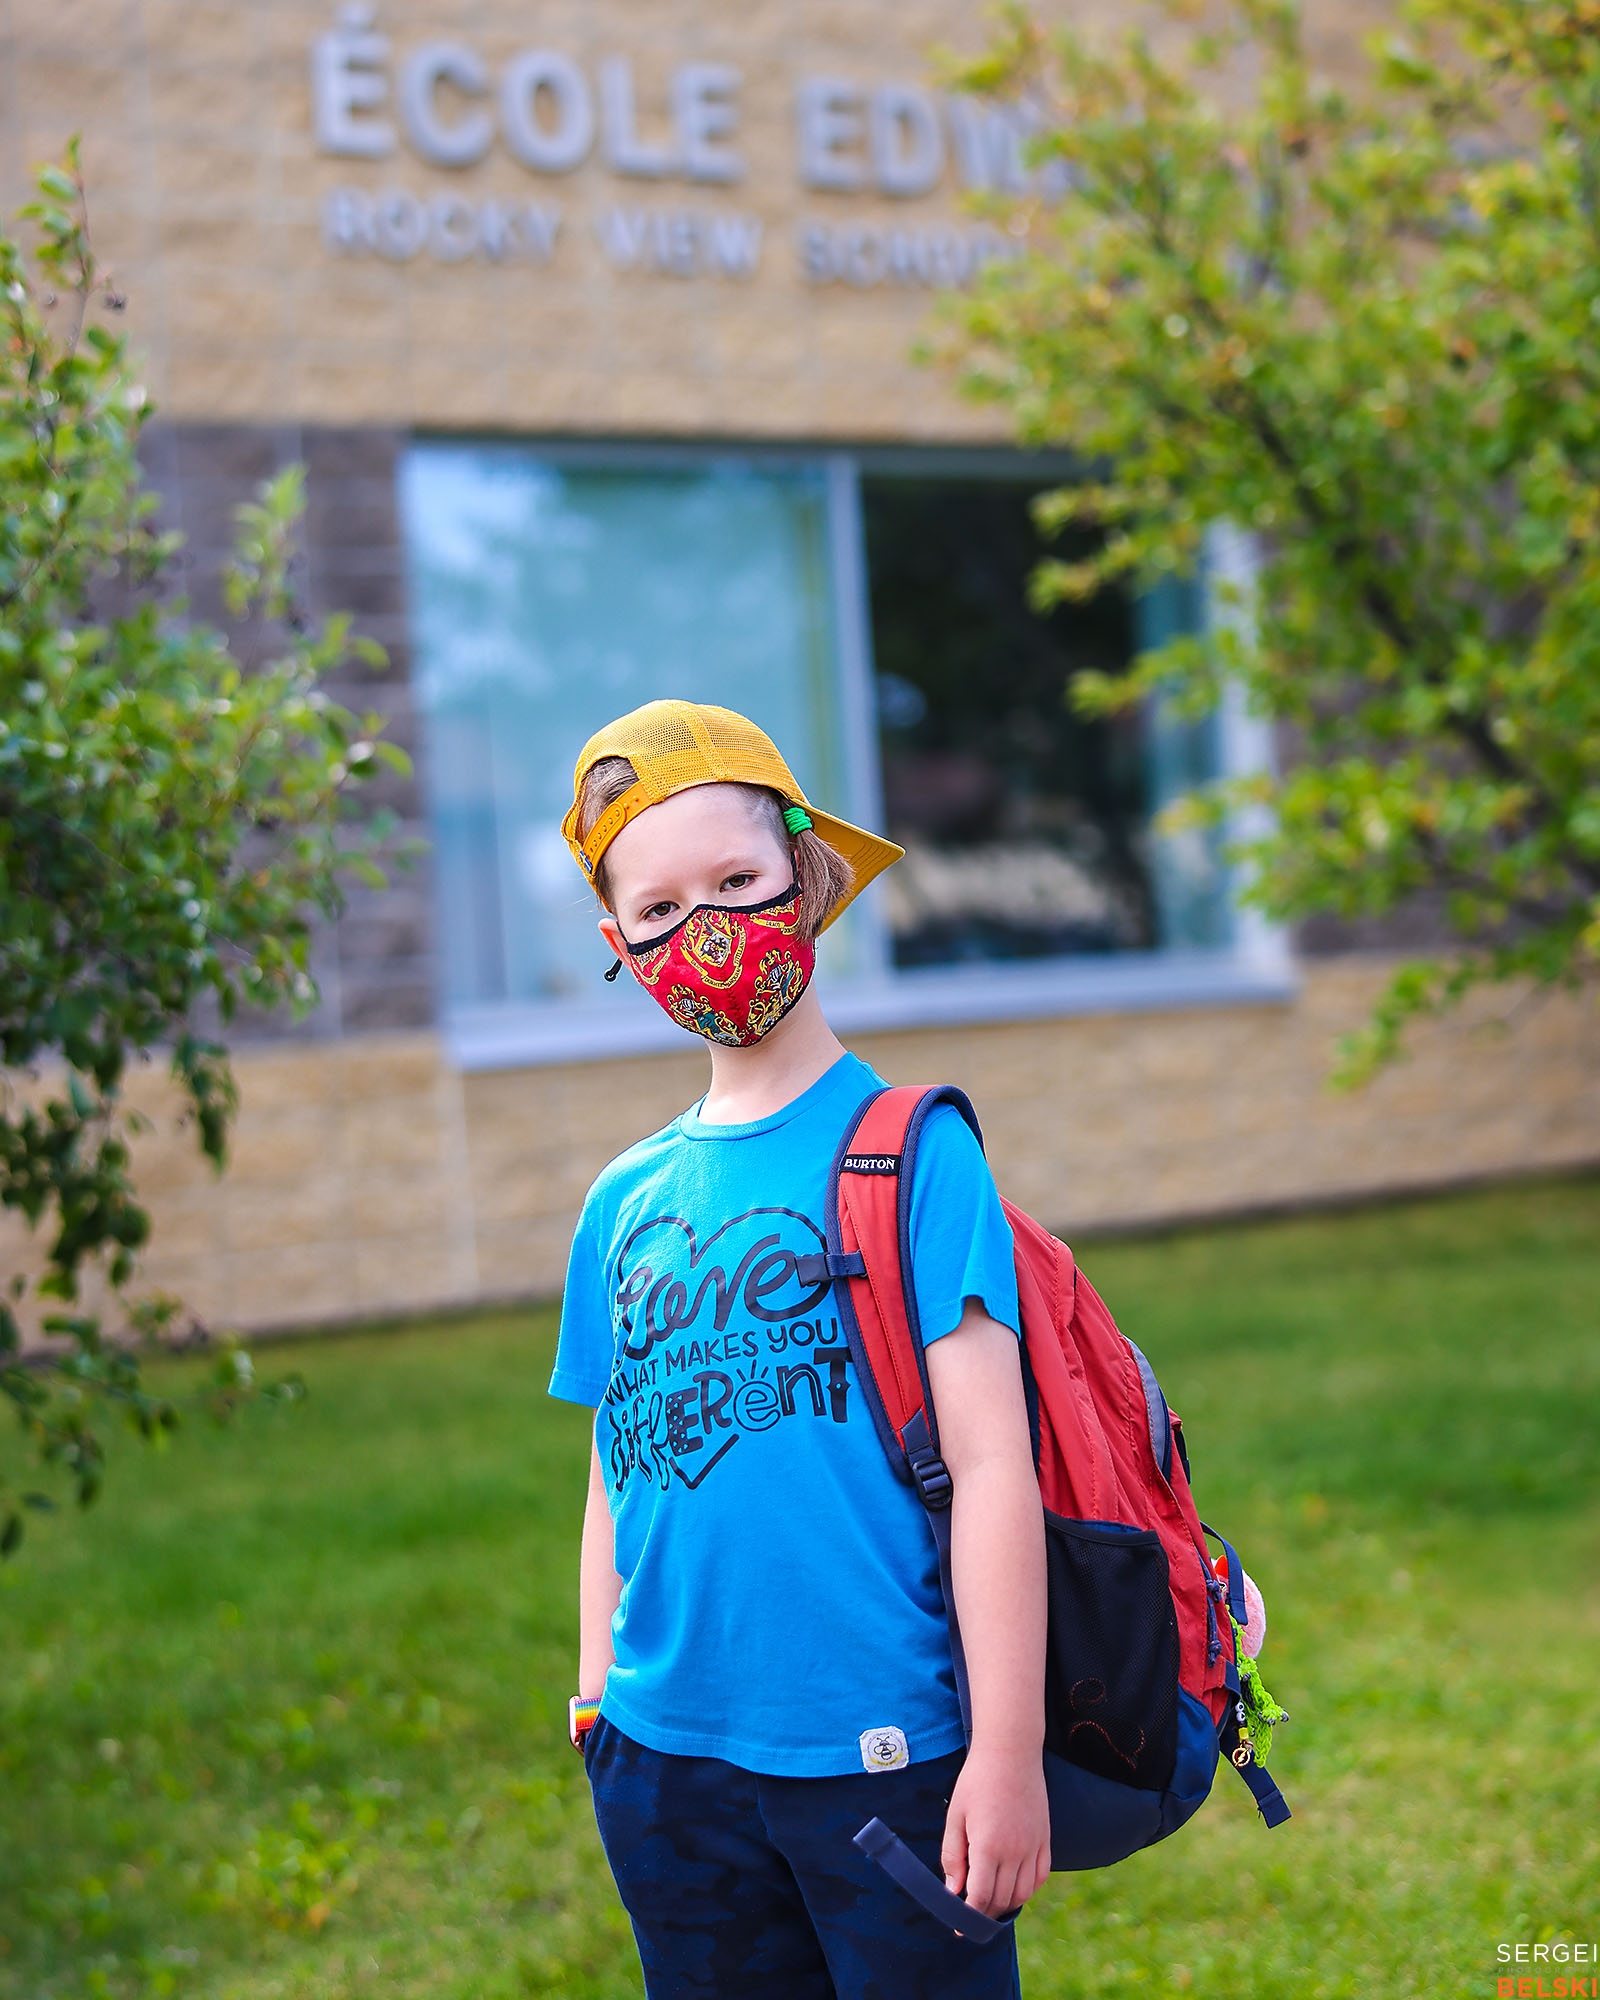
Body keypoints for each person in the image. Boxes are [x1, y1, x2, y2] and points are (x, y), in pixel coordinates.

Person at [548, 699, 1049, 1999]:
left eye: (736, 882)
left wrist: (1003, 1754)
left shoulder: (912, 1150)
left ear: (807, 883)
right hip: (665, 1769)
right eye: (658, 912)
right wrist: (600, 1692)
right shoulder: (623, 1201)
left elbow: (997, 1468)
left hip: (886, 1761)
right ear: (621, 946)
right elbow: (618, 1457)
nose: (702, 930)